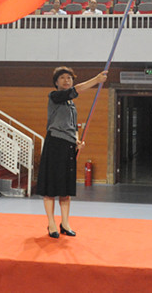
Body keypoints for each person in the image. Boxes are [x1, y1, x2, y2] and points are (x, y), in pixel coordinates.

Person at [37, 66, 108, 238]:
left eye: (69, 78)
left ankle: (65, 223)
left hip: (68, 146)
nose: (66, 80)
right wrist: (96, 80)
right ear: (56, 82)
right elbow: (76, 91)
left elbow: (73, 126)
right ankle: (51, 224)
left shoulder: (72, 105)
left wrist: (76, 140)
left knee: (65, 188)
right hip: (54, 144)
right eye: (62, 78)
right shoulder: (55, 97)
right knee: (51, 187)